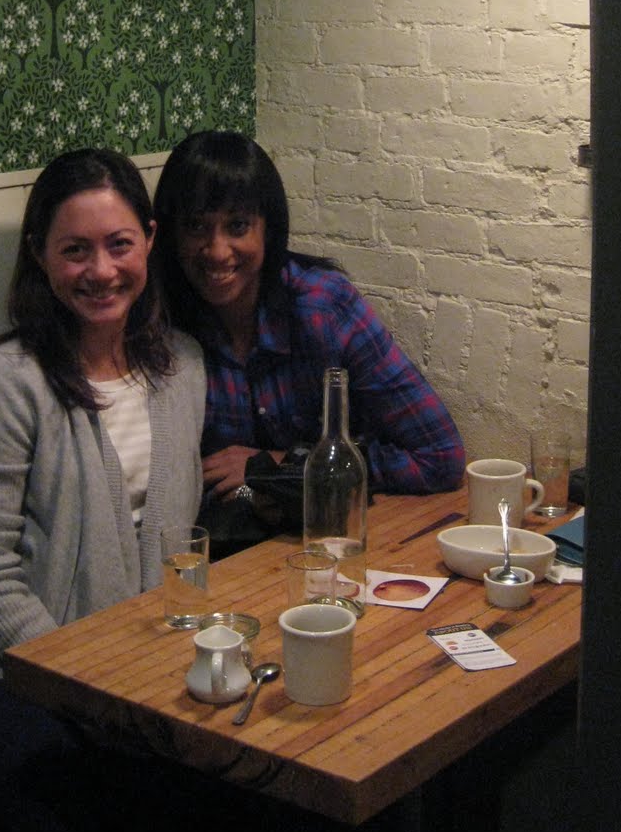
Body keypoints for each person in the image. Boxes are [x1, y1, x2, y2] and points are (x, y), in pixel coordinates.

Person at [0, 147, 207, 832]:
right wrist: (83, 687)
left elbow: (170, 540)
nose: (101, 270)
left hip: (107, 666)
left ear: (150, 240)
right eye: (75, 249)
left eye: (118, 244)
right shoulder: (7, 381)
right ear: (40, 256)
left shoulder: (183, 368)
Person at [151, 131, 466, 535]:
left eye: (238, 226)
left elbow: (440, 455)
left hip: (332, 535)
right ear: (171, 233)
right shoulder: (159, 324)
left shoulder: (321, 306)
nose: (217, 250)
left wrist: (283, 465)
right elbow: (186, 490)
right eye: (196, 226)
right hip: (228, 541)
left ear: (268, 229)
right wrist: (261, 489)